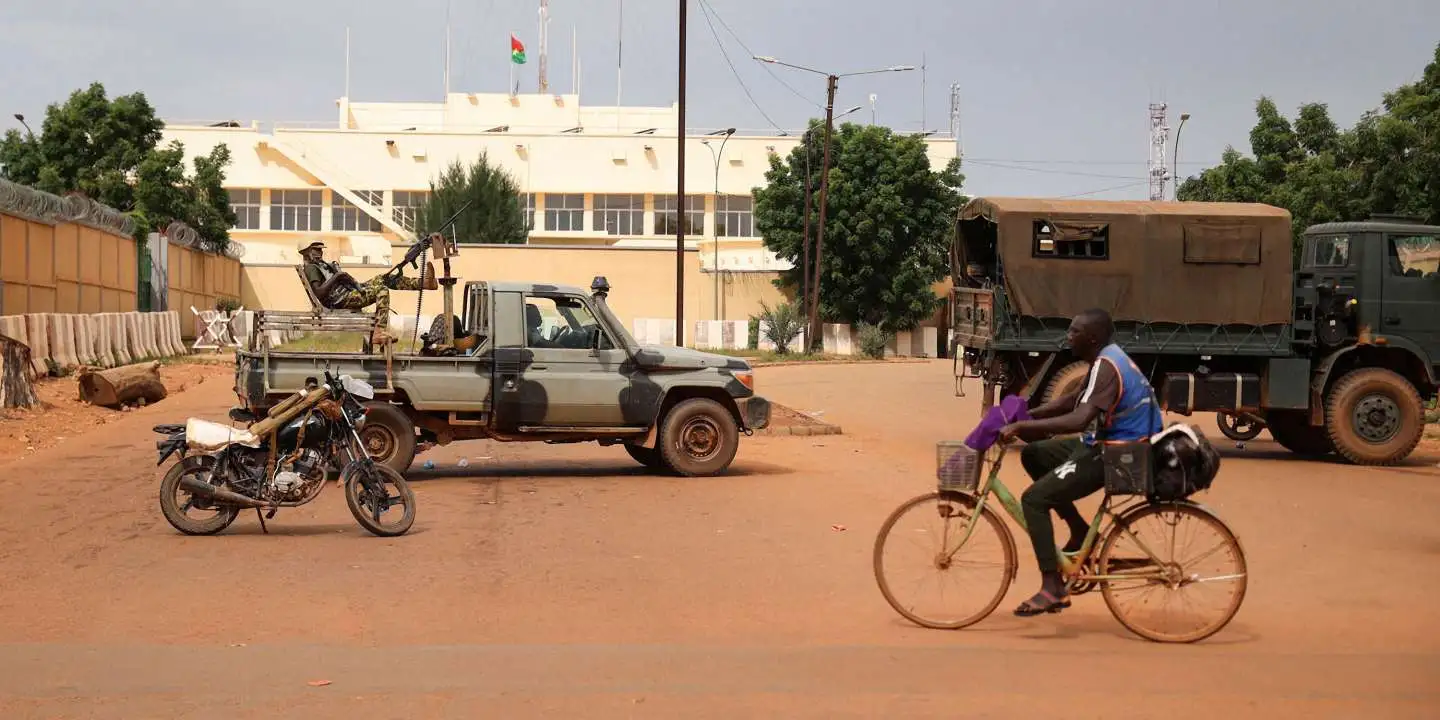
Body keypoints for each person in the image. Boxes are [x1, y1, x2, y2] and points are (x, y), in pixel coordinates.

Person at [998, 308, 1163, 617]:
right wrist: (1026, 416)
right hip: (1109, 442)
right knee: (1034, 454)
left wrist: (1020, 428)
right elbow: (1071, 400)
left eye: (1074, 332)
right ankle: (1078, 529)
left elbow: (1078, 418)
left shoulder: (1107, 366)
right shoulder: (1105, 358)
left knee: (1033, 499)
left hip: (1120, 454)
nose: (1068, 337)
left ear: (1092, 337)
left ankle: (1053, 587)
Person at [297, 239, 436, 345]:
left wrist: (340, 274)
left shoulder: (321, 265)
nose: (320, 253)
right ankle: (378, 332)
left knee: (384, 279)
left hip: (348, 292)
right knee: (382, 290)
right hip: (340, 300)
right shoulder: (311, 268)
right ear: (306, 252)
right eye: (316, 250)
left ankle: (423, 283)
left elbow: (337, 280)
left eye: (320, 250)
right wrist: (338, 276)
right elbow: (320, 293)